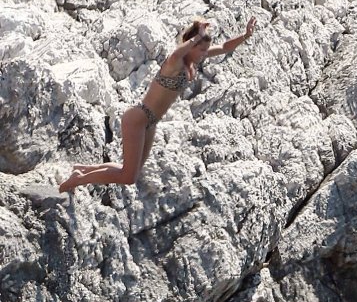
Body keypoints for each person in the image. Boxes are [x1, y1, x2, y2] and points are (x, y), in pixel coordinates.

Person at [58, 15, 257, 192]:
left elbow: (224, 48)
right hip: (138, 118)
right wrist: (197, 36)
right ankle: (78, 180)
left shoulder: (191, 63)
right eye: (201, 49)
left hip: (150, 123)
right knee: (128, 176)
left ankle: (82, 170)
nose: (205, 54)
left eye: (206, 50)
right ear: (191, 45)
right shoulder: (174, 63)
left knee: (131, 172)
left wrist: (245, 35)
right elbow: (177, 53)